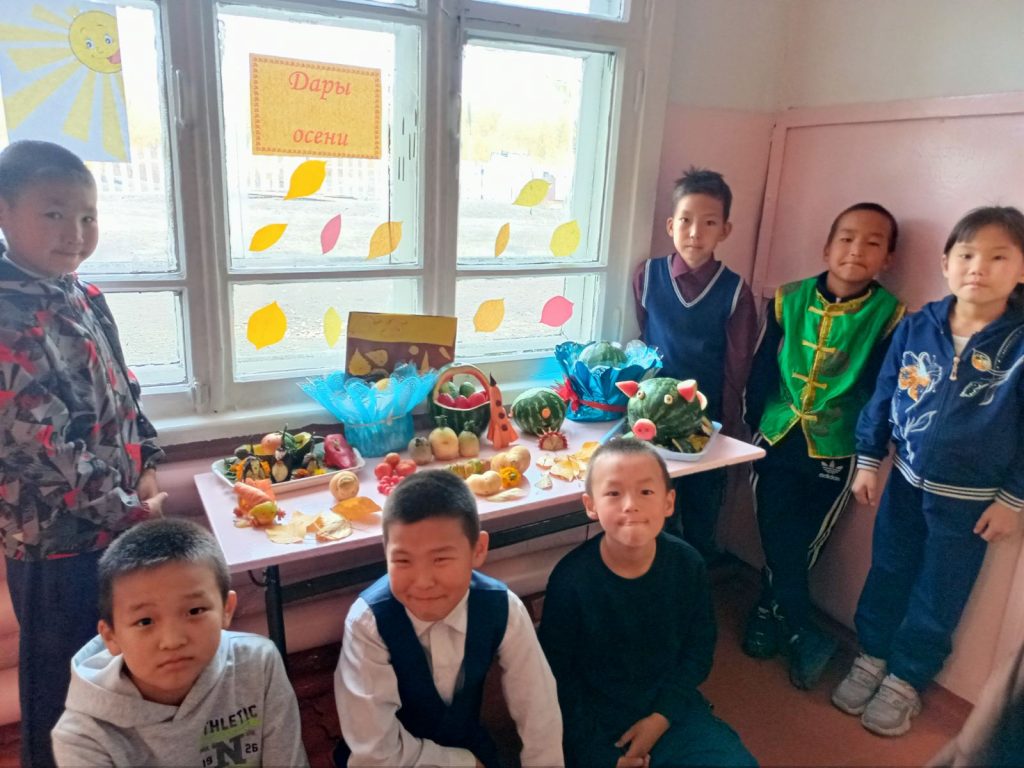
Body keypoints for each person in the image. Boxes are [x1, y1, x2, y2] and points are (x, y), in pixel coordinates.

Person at [0, 139, 166, 767]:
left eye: (87, 216)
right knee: (63, 684)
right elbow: (45, 450)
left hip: (117, 524)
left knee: (122, 668)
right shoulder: (7, 317)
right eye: (53, 213)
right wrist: (132, 509)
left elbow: (126, 390)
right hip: (55, 543)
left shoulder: (83, 295)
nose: (74, 232)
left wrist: (147, 460)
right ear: (4, 211)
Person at [832, 206, 1024, 736]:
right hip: (905, 480)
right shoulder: (918, 326)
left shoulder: (1019, 346)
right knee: (888, 569)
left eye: (998, 257)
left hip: (971, 500)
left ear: (1021, 269)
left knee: (940, 589)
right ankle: (872, 655)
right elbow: (884, 394)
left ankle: (907, 677)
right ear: (945, 263)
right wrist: (868, 459)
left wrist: (1013, 498)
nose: (978, 267)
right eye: (967, 254)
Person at [743, 202, 906, 690]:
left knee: (804, 540)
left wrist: (872, 452)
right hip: (777, 433)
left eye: (873, 243)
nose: (857, 250)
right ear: (826, 248)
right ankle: (800, 627)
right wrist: (751, 422)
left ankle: (769, 613)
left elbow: (883, 390)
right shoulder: (788, 298)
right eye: (847, 238)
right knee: (774, 530)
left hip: (837, 446)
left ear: (888, 259)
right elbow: (762, 364)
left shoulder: (890, 316)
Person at [538, 439, 757, 768]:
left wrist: (661, 717)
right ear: (591, 505)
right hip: (594, 723)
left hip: (669, 709)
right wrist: (603, 757)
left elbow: (698, 650)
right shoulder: (570, 580)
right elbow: (557, 678)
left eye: (646, 492)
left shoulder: (687, 564)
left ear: (668, 502)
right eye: (614, 493)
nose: (630, 505)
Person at [334, 469, 563, 767]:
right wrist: (465, 764)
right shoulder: (369, 623)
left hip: (472, 749)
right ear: (385, 552)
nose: (423, 582)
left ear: (478, 550)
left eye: (440, 559)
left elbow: (539, 712)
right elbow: (375, 753)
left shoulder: (502, 608)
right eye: (402, 560)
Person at [51, 517, 309, 766]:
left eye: (195, 611)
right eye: (145, 621)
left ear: (226, 609)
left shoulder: (258, 664)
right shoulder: (82, 737)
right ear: (111, 636)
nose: (172, 641)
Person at [633, 166, 758, 561]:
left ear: (725, 230)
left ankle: (696, 578)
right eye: (685, 220)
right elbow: (644, 340)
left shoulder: (735, 291)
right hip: (653, 416)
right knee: (655, 506)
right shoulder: (648, 276)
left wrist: (731, 426)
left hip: (708, 419)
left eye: (709, 223)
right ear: (671, 225)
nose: (694, 232)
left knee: (703, 507)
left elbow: (738, 365)